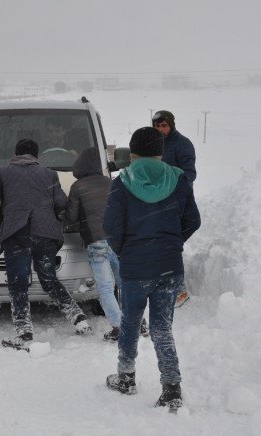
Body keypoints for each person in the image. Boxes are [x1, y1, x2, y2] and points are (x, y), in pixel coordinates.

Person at [103, 127, 200, 410]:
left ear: (132, 153)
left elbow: (110, 228)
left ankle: (126, 377)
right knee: (162, 327)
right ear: (161, 151)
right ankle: (171, 387)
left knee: (131, 322)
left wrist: (128, 251)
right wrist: (170, 243)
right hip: (169, 267)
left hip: (135, 267)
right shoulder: (179, 180)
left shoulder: (122, 183)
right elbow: (192, 221)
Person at [0, 138, 92, 350]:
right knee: (49, 279)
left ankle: (24, 333)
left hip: (17, 234)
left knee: (19, 283)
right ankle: (79, 318)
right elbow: (61, 203)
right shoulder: (49, 174)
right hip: (46, 234)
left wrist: (2, 215)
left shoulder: (4, 172)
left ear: (15, 154)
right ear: (36, 156)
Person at [65, 147, 148, 342]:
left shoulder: (78, 186)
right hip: (118, 239)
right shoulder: (110, 182)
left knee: (104, 286)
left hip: (96, 240)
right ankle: (140, 323)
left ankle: (118, 327)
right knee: (124, 282)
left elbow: (70, 217)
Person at [152, 110, 196, 307]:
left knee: (171, 244)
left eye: (164, 125)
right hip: (157, 200)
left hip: (177, 201)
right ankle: (164, 281)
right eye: (157, 126)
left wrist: (175, 190)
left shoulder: (182, 144)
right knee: (163, 243)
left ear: (171, 125)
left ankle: (179, 290)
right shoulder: (153, 143)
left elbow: (189, 174)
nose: (161, 129)